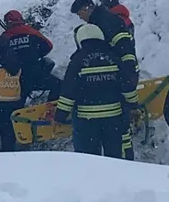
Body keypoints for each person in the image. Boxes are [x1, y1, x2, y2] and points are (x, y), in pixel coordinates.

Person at [71, 0, 140, 160]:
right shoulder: (102, 20)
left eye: (80, 13)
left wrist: (125, 75)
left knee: (121, 124)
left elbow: (124, 49)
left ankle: (126, 161)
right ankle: (122, 158)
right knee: (117, 124)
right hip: (117, 75)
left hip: (119, 75)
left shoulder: (106, 21)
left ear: (87, 8)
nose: (81, 17)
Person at [53, 24, 128, 158]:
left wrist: (60, 116)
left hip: (87, 121)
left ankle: (91, 178)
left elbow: (68, 92)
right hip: (113, 119)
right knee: (115, 158)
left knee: (88, 160)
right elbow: (126, 85)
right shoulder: (114, 57)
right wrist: (132, 106)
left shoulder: (77, 60)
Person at [0, 10, 59, 102]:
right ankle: (50, 108)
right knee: (58, 85)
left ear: (8, 22)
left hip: (15, 79)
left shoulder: (6, 36)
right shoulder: (32, 32)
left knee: (18, 99)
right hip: (35, 74)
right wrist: (36, 54)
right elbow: (49, 46)